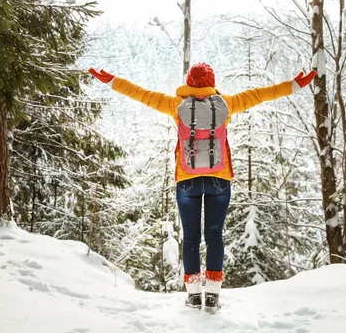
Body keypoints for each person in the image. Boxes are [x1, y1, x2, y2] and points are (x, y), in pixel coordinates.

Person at [89, 62, 316, 313]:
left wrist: (111, 81)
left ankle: (194, 295)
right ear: (211, 82)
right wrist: (294, 85)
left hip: (187, 180)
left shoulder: (176, 105)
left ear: (188, 82)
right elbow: (261, 94)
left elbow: (141, 94)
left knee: (191, 239)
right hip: (219, 179)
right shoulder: (226, 103)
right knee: (214, 237)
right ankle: (213, 297)